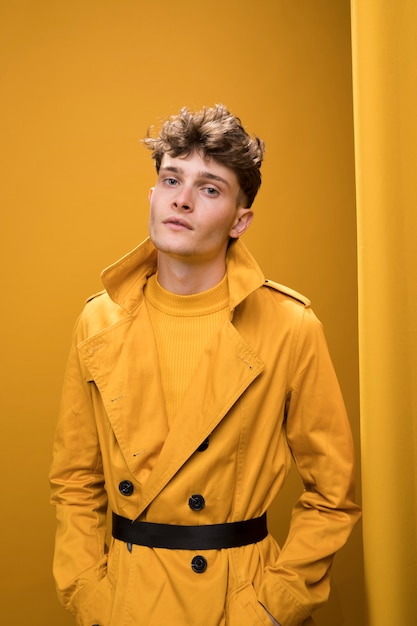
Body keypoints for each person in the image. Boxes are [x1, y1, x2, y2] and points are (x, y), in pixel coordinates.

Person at [49, 104, 361, 626]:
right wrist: (88, 594)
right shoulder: (97, 320)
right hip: (127, 602)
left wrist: (272, 607)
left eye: (210, 188)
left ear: (241, 220)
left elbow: (333, 495)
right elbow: (75, 480)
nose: (183, 199)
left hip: (235, 602)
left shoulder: (290, 326)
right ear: (153, 195)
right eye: (172, 179)